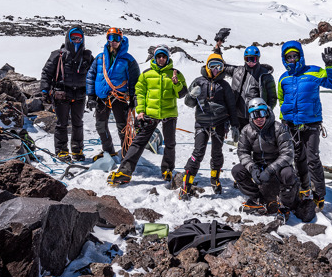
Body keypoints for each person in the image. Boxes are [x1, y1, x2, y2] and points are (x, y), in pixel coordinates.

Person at [107, 45, 187, 185]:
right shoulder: (146, 74)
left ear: (168, 58)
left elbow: (181, 94)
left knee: (170, 143)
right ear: (155, 58)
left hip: (169, 113)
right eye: (159, 56)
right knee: (138, 142)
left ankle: (167, 169)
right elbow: (140, 93)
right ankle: (125, 172)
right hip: (150, 113)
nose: (161, 59)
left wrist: (176, 83)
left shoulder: (176, 74)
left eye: (164, 56)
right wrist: (141, 110)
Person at [278, 40, 332, 211]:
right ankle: (304, 188)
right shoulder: (283, 78)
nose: (292, 59)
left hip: (311, 124)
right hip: (291, 125)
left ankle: (319, 195)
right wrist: (283, 119)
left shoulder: (314, 71)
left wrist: (330, 65)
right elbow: (281, 99)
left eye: (295, 56)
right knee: (297, 158)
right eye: (289, 57)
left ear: (300, 56)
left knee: (312, 159)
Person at [231, 98, 305, 222]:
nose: (258, 118)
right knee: (237, 171)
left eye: (261, 114)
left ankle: (285, 205)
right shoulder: (247, 130)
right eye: (254, 115)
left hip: (277, 166)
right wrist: (252, 167)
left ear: (267, 112)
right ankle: (257, 199)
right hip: (259, 165)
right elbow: (243, 152)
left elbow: (287, 154)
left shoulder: (279, 128)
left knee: (288, 174)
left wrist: (270, 170)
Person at [180, 53, 239, 200]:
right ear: (207, 66)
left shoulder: (224, 85)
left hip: (220, 122)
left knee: (217, 152)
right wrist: (192, 96)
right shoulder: (198, 82)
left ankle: (215, 179)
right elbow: (188, 104)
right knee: (198, 152)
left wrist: (235, 125)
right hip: (202, 123)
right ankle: (187, 184)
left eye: (219, 66)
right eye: (213, 66)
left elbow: (231, 106)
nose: (216, 69)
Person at [40, 26, 94, 161]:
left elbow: (94, 76)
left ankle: (77, 150)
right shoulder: (58, 55)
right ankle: (61, 151)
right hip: (61, 95)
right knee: (61, 123)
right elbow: (46, 73)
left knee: (78, 123)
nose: (77, 40)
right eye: (74, 37)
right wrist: (45, 91)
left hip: (80, 95)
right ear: (68, 38)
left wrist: (95, 95)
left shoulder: (87, 56)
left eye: (79, 38)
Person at [86, 27, 140, 161]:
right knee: (100, 125)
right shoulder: (100, 58)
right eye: (111, 38)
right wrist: (91, 96)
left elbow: (135, 80)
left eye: (116, 38)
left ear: (121, 40)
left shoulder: (128, 60)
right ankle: (108, 150)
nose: (113, 41)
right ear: (107, 39)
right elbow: (91, 76)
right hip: (102, 97)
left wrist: (134, 98)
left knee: (123, 127)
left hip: (119, 98)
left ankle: (126, 154)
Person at [213, 39, 277, 130]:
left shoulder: (265, 76)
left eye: (253, 59)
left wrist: (265, 113)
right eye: (247, 59)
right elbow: (222, 66)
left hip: (255, 117)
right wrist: (217, 49)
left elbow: (272, 98)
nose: (250, 62)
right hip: (238, 116)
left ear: (258, 59)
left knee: (254, 142)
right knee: (241, 141)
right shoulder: (237, 71)